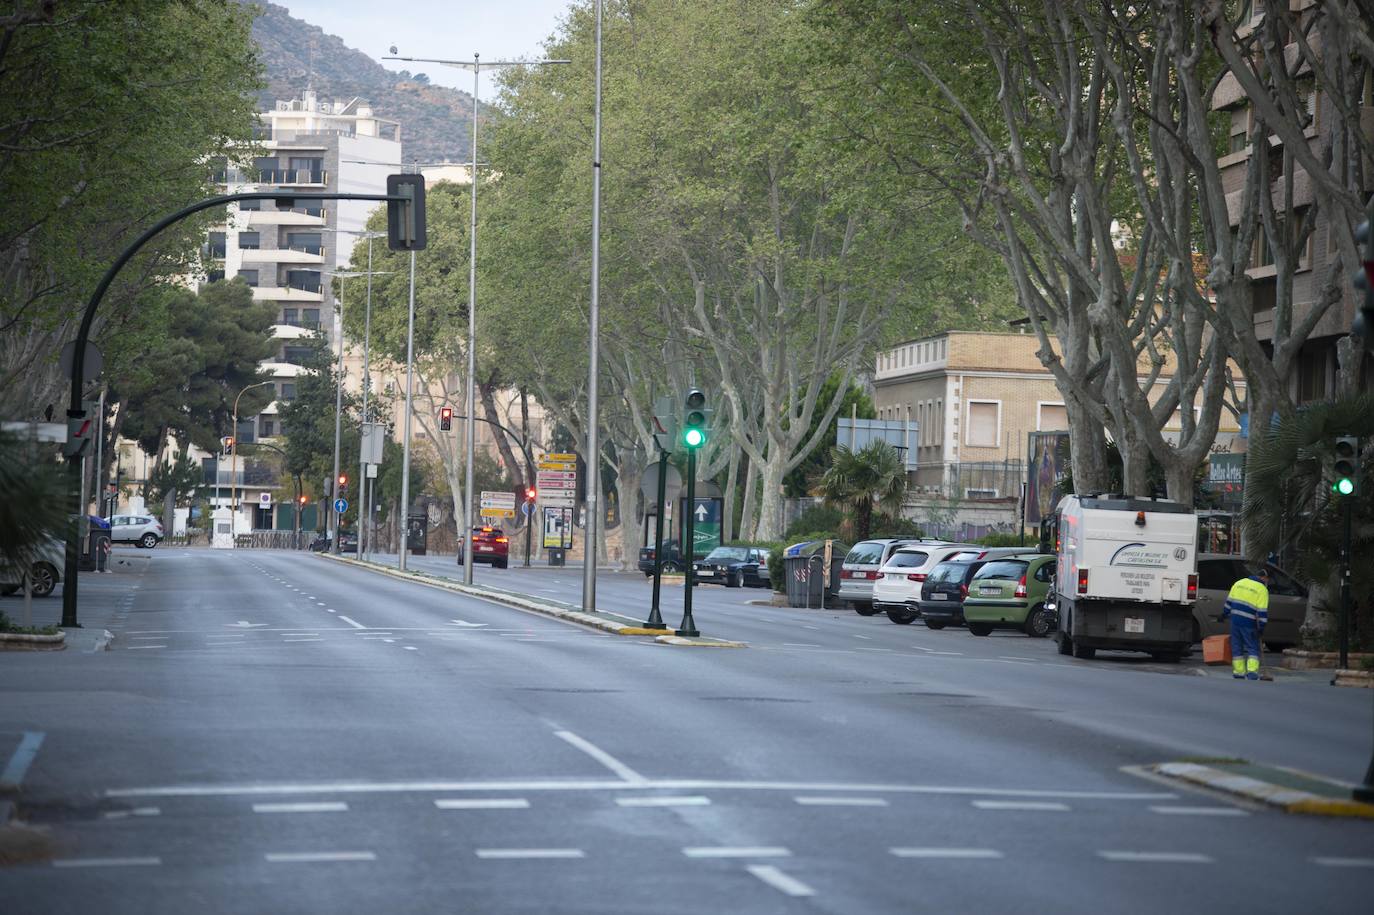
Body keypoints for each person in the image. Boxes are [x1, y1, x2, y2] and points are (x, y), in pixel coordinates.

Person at [1223, 565, 1270, 680]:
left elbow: (1228, 602)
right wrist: (1262, 627)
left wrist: (1224, 614)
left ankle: (1239, 672)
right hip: (1249, 623)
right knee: (1252, 647)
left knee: (1236, 646)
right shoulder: (1262, 589)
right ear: (1264, 578)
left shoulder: (1239, 583)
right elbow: (1262, 611)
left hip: (1235, 620)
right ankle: (1252, 672)